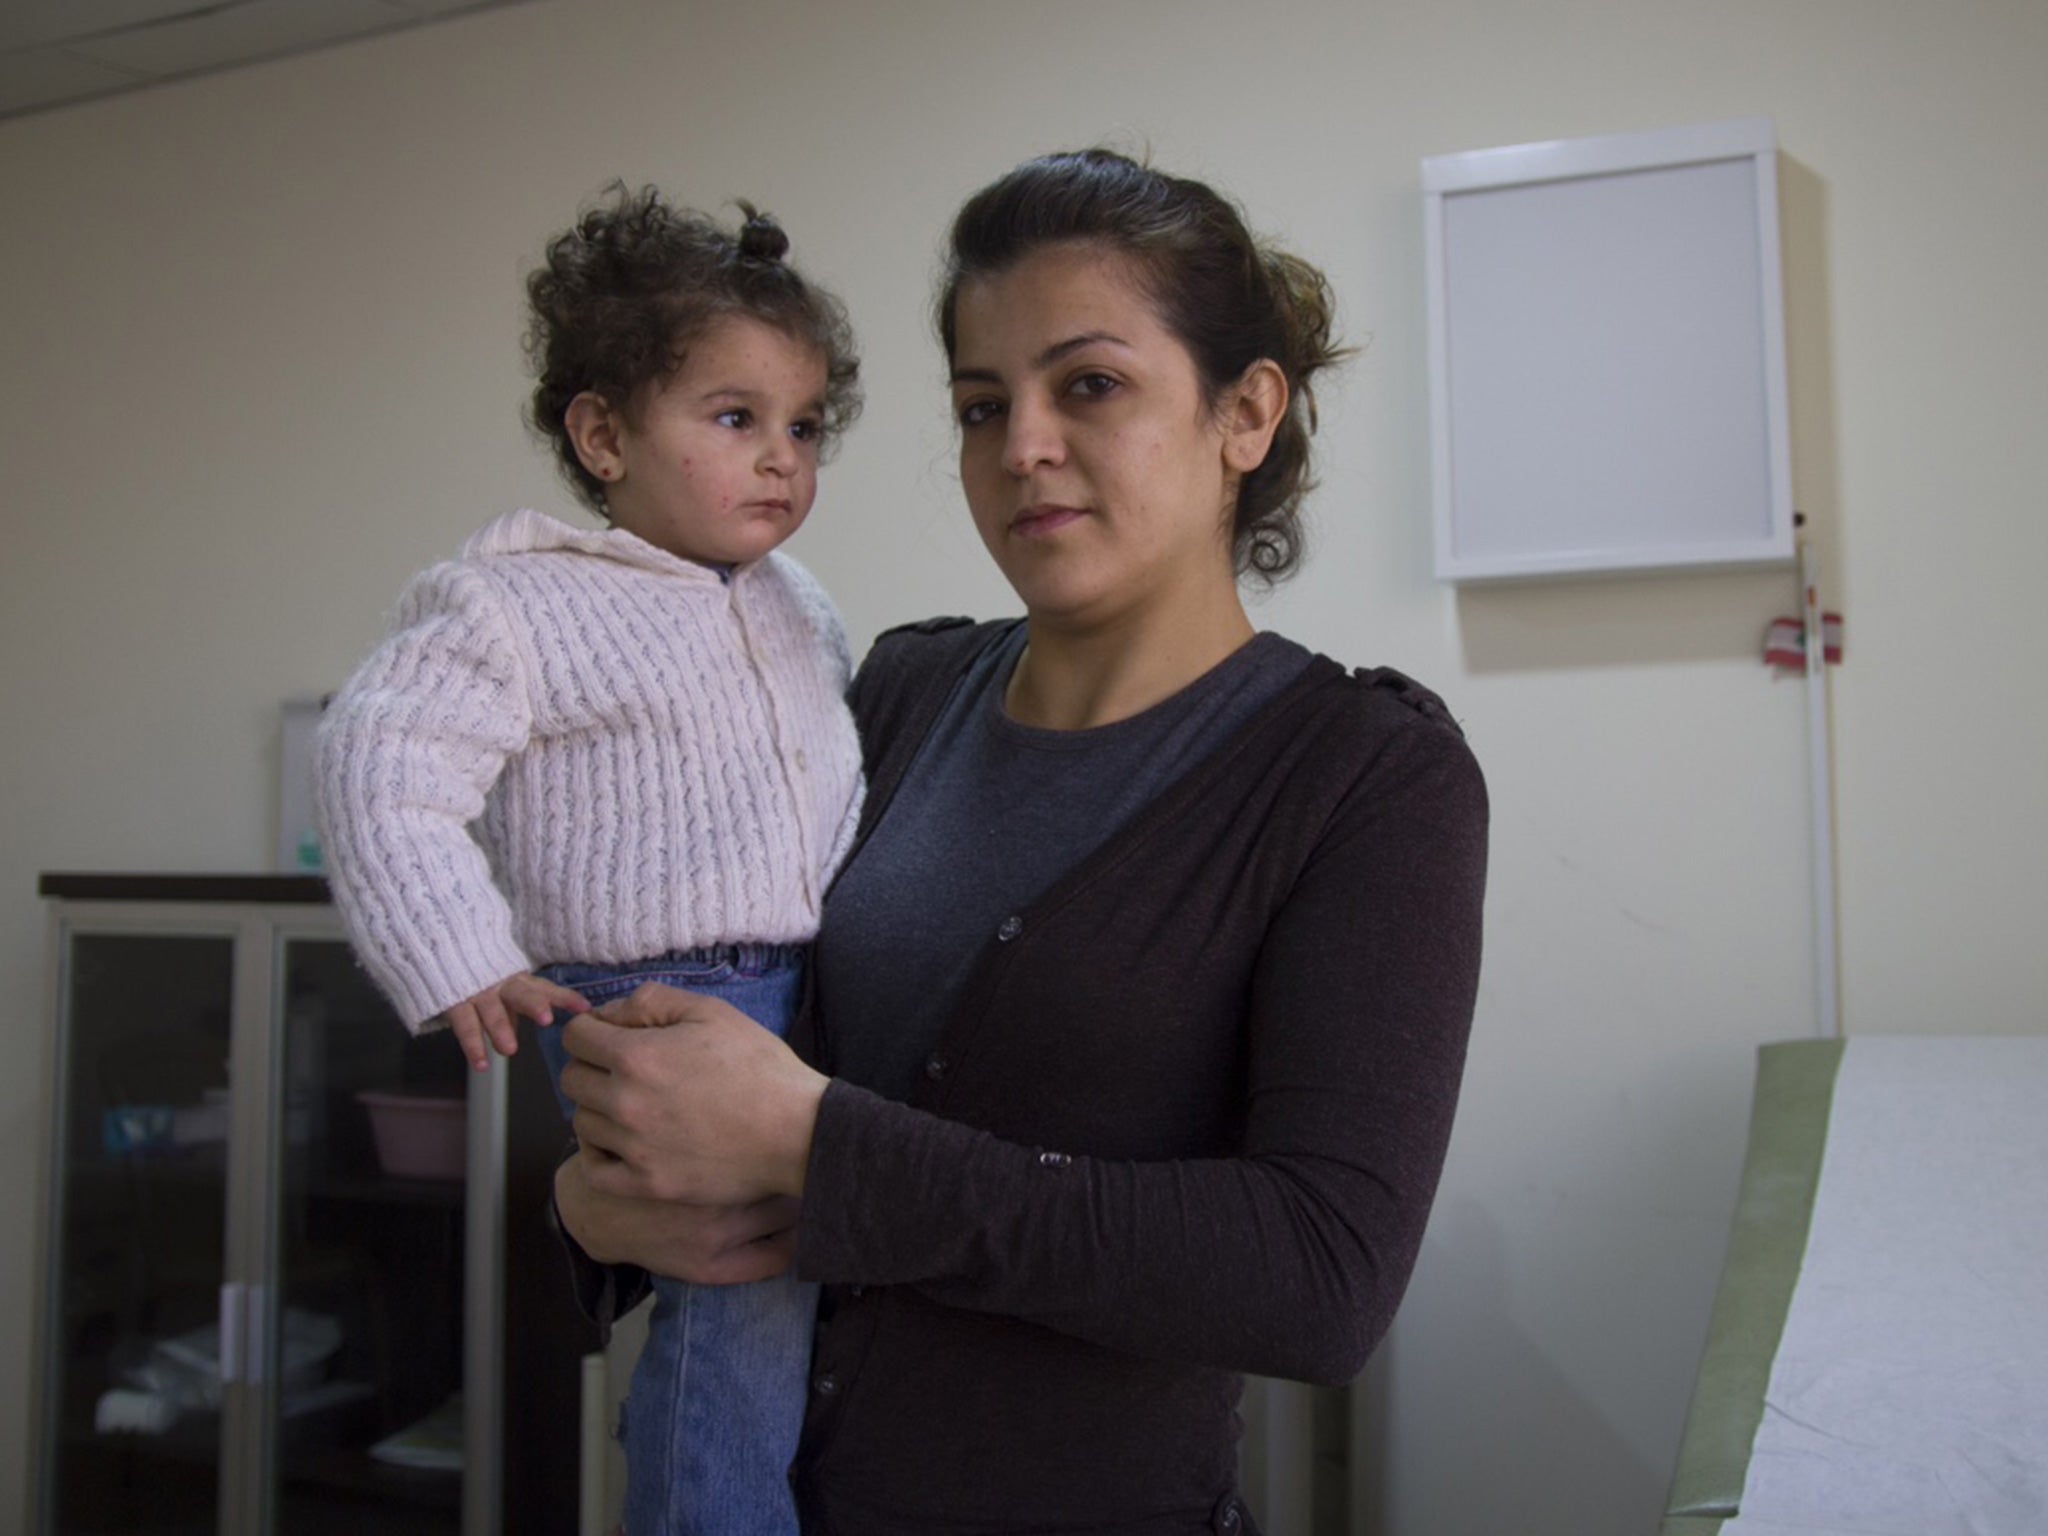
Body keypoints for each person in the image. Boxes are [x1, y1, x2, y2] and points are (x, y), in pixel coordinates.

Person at [552, 149, 1489, 1536]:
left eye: (1088, 386)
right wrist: (589, 1211)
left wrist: (824, 1150)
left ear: (1246, 413)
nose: (1022, 446)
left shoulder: (1361, 778)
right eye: (984, 405)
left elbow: (1318, 1277)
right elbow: (702, 1031)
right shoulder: (894, 694)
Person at [315, 183, 865, 1536]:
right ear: (605, 433)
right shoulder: (519, 598)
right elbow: (380, 766)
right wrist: (462, 956)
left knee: (782, 1306)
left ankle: (690, 1467)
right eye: (735, 419)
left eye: (804, 426)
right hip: (666, 999)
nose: (782, 458)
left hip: (802, 988)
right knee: (745, 1298)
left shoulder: (799, 607)